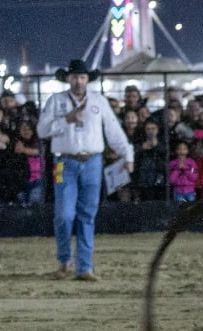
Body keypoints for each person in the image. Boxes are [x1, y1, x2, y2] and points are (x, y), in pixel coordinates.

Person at [38, 58, 133, 281]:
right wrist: (66, 121)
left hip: (92, 161)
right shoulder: (56, 101)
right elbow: (42, 130)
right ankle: (65, 260)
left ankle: (84, 266)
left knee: (87, 214)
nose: (79, 81)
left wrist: (127, 154)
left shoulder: (99, 101)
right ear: (68, 79)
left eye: (82, 77)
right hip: (64, 161)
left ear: (87, 79)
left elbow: (113, 131)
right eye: (75, 77)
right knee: (64, 214)